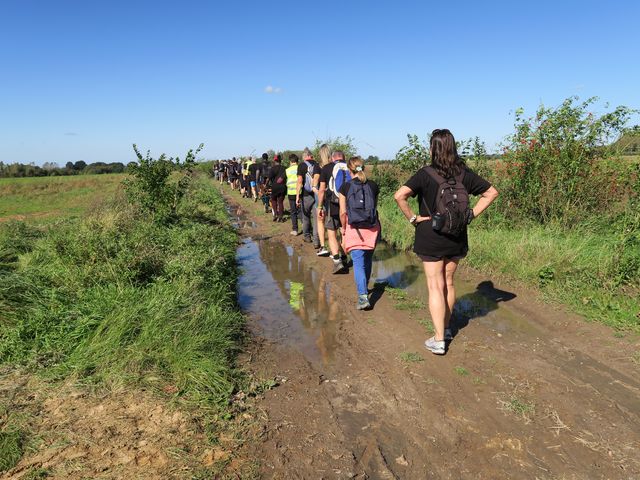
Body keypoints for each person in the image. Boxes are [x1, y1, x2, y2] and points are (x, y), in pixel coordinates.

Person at [394, 128, 498, 355]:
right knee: (449, 283)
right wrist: (470, 215)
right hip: (457, 234)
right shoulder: (464, 173)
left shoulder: (425, 174)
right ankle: (448, 329)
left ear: (433, 148)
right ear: (452, 147)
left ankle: (439, 339)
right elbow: (491, 192)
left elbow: (399, 195)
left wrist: (413, 218)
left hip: (430, 235)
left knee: (434, 286)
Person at [338, 156, 380, 310]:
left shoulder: (345, 187)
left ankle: (363, 297)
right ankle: (365, 288)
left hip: (354, 228)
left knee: (358, 263)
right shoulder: (374, 186)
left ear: (350, 170)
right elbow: (373, 208)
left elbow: (343, 213)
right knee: (367, 260)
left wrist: (343, 229)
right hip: (372, 228)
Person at [318, 149, 350, 274]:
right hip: (348, 205)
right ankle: (345, 257)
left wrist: (320, 207)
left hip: (332, 205)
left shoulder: (326, 168)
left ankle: (337, 261)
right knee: (345, 231)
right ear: (344, 157)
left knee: (332, 232)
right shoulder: (350, 167)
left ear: (332, 158)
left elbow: (321, 190)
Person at [296, 148, 321, 249]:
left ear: (304, 156)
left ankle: (307, 237)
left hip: (306, 195)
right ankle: (316, 241)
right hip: (317, 194)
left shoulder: (301, 165)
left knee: (305, 216)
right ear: (311, 156)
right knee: (316, 219)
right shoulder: (318, 165)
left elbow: (299, 182)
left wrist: (298, 196)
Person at [315, 144, 331, 257]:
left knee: (321, 221)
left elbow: (315, 184)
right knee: (333, 222)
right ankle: (337, 248)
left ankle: (323, 246)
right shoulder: (334, 166)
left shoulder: (318, 167)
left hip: (321, 196)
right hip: (333, 197)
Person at [268, 154, 287, 222]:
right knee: (280, 202)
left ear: (274, 160)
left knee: (273, 200)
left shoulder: (272, 168)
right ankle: (281, 217)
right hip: (282, 186)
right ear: (280, 160)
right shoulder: (285, 168)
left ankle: (275, 214)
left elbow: (269, 178)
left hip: (274, 187)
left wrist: (265, 185)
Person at [286, 153, 300, 235]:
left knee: (293, 211)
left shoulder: (287, 170)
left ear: (290, 161)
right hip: (300, 192)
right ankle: (306, 228)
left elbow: (282, 180)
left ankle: (295, 229)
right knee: (302, 210)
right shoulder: (300, 168)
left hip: (291, 193)